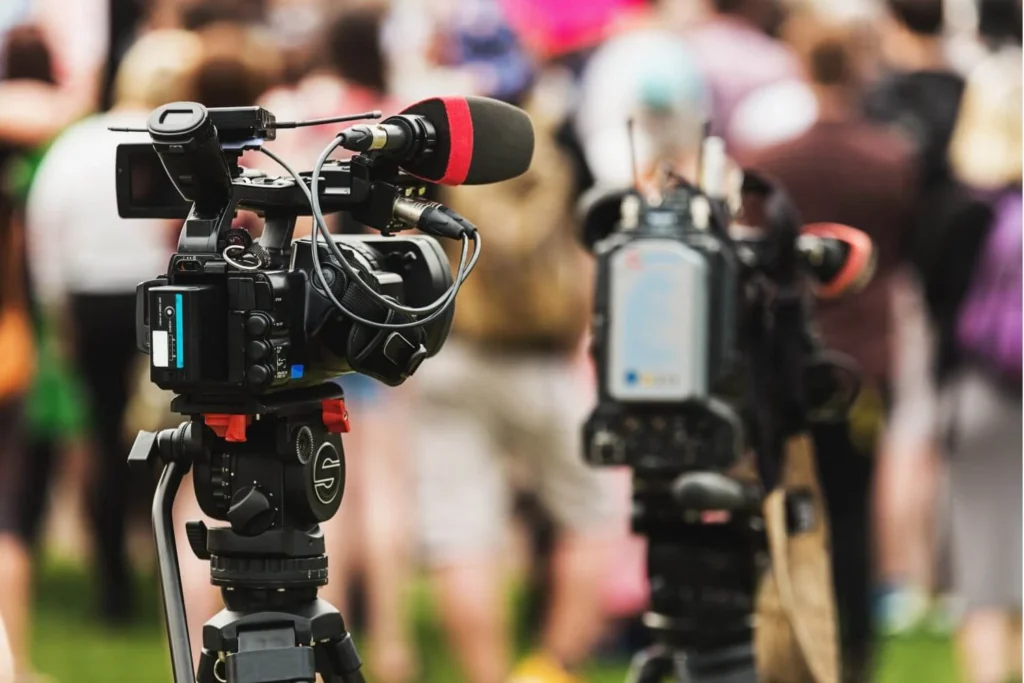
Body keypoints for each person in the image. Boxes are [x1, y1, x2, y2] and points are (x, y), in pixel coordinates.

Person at [410, 10, 615, 683]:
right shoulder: (560, 138)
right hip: (544, 358)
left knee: (461, 531)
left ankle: (488, 675)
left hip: (452, 351)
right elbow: (591, 247)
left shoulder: (428, 143)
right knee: (591, 511)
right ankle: (551, 668)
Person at [744, 15, 918, 682]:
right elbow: (901, 256)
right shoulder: (890, 158)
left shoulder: (773, 161)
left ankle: (784, 644)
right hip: (867, 364)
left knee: (780, 502)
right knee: (851, 511)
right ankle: (852, 651)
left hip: (783, 359)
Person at [260, 8, 418, 683]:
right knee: (373, 486)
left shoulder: (283, 108)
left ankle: (215, 625)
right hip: (360, 312)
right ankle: (387, 643)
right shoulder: (382, 117)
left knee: (279, 472)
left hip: (274, 311)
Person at [24, 28, 202, 624]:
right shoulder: (181, 147)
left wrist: (57, 312)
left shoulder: (76, 142)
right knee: (179, 437)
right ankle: (169, 575)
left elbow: (45, 232)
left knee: (105, 441)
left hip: (90, 301)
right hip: (162, 299)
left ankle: (112, 589)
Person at [863, 0, 967, 635]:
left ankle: (902, 579)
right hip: (965, 283)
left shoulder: (881, 99)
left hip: (897, 281)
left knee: (904, 435)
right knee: (943, 433)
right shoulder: (967, 92)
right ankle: (942, 578)